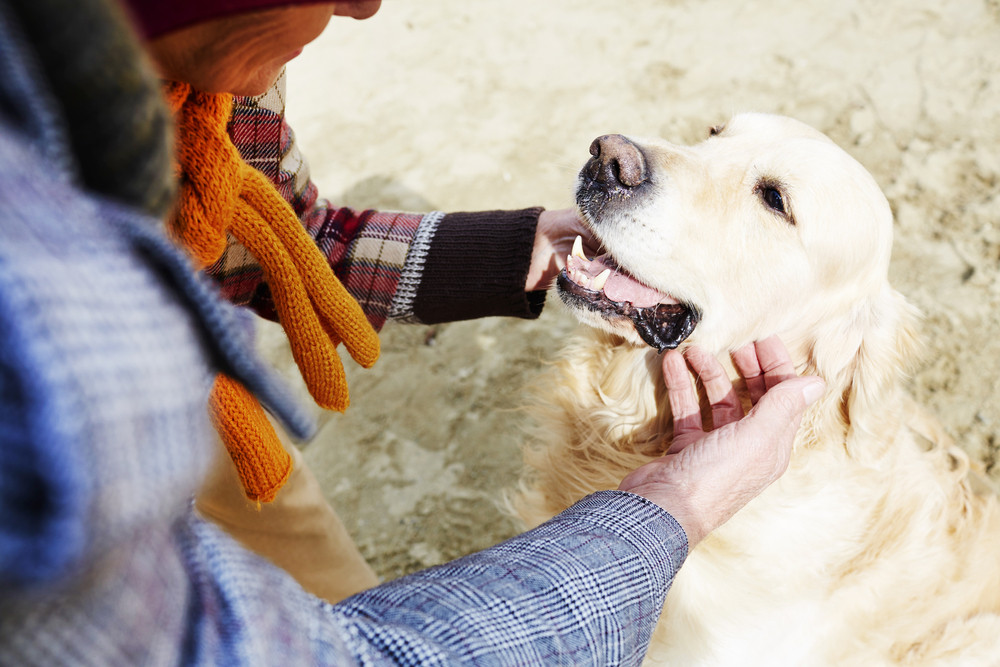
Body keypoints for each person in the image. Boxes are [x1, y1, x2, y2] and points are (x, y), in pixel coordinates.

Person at [0, 0, 825, 664]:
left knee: (308, 546)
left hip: (212, 403)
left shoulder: (213, 88)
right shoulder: (32, 351)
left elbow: (294, 239)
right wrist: (669, 504)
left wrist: (516, 250)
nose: (365, 7)